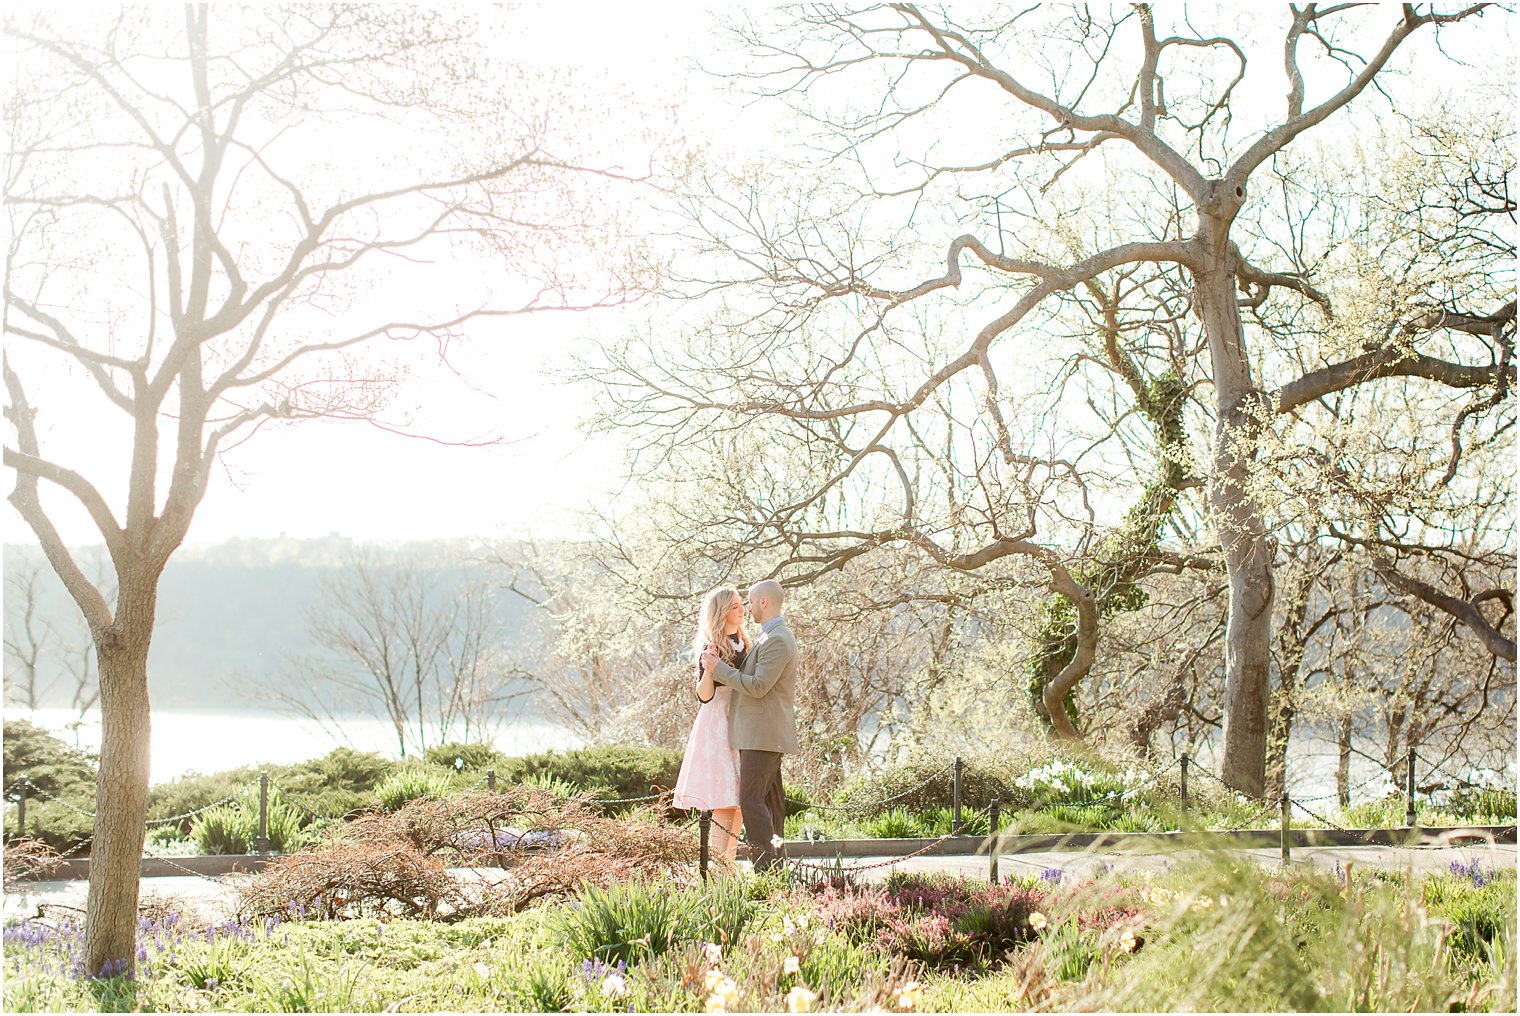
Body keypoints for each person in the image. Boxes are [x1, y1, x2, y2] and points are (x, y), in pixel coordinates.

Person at [701, 578, 797, 872]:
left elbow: (758, 687)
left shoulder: (778, 639)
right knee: (770, 803)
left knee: (751, 801)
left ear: (764, 602)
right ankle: (775, 868)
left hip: (762, 735)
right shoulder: (769, 637)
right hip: (761, 734)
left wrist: (721, 670)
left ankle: (766, 870)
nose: (748, 607)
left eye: (751, 602)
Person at [672, 585, 749, 859]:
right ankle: (717, 871)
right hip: (719, 722)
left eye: (741, 604)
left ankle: (727, 866)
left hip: (742, 722)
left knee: (739, 802)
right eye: (735, 606)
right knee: (723, 798)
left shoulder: (746, 643)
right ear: (722, 612)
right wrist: (710, 669)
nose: (742, 609)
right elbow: (704, 696)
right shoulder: (712, 647)